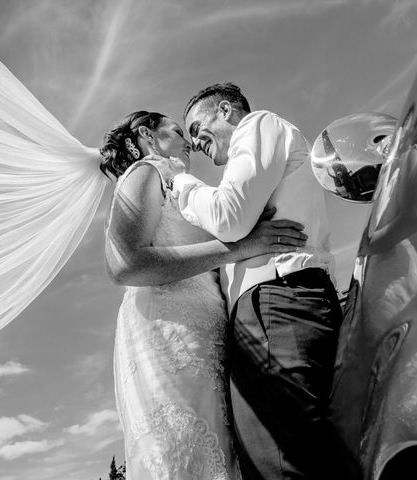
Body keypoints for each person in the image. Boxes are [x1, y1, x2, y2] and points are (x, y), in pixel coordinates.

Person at [101, 110, 309, 479]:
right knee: (183, 451)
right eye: (179, 131)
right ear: (149, 135)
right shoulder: (146, 172)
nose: (190, 143)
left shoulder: (184, 185)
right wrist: (237, 248)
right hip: (168, 335)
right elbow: (125, 263)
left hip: (209, 339)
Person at [156, 83, 346, 479]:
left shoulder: (259, 125)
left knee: (280, 459)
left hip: (275, 302)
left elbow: (229, 217)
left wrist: (180, 182)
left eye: (196, 128)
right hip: (281, 304)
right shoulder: (256, 168)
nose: (194, 142)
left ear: (225, 110)